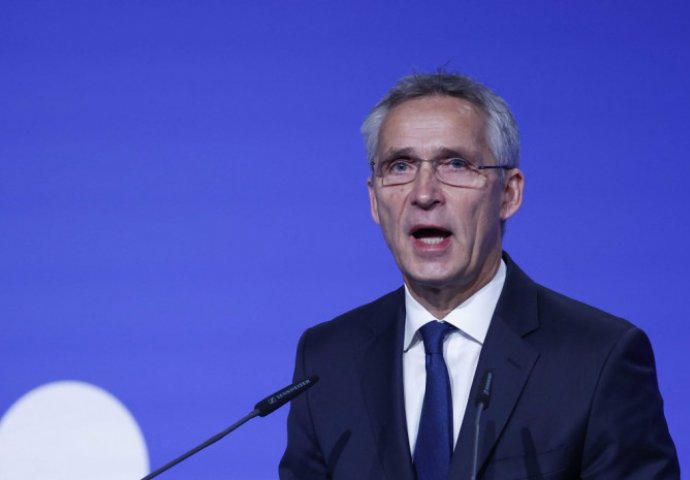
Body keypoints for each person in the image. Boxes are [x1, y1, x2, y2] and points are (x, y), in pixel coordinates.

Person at [279, 72, 679, 479]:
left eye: (456, 164)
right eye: (400, 166)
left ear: (509, 194)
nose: (424, 194)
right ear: (374, 200)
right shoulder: (327, 360)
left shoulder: (598, 359)